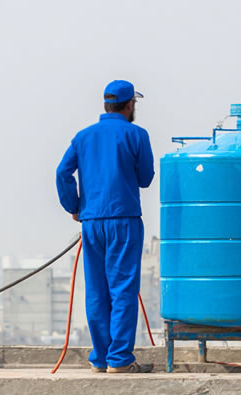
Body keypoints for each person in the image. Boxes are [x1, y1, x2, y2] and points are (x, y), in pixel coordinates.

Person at [56, 80, 155, 373]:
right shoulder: (136, 134)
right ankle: (120, 359)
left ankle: (101, 358)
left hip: (92, 222)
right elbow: (145, 178)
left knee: (97, 290)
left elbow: (63, 172)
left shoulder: (83, 137)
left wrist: (73, 207)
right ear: (129, 104)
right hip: (123, 219)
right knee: (123, 289)